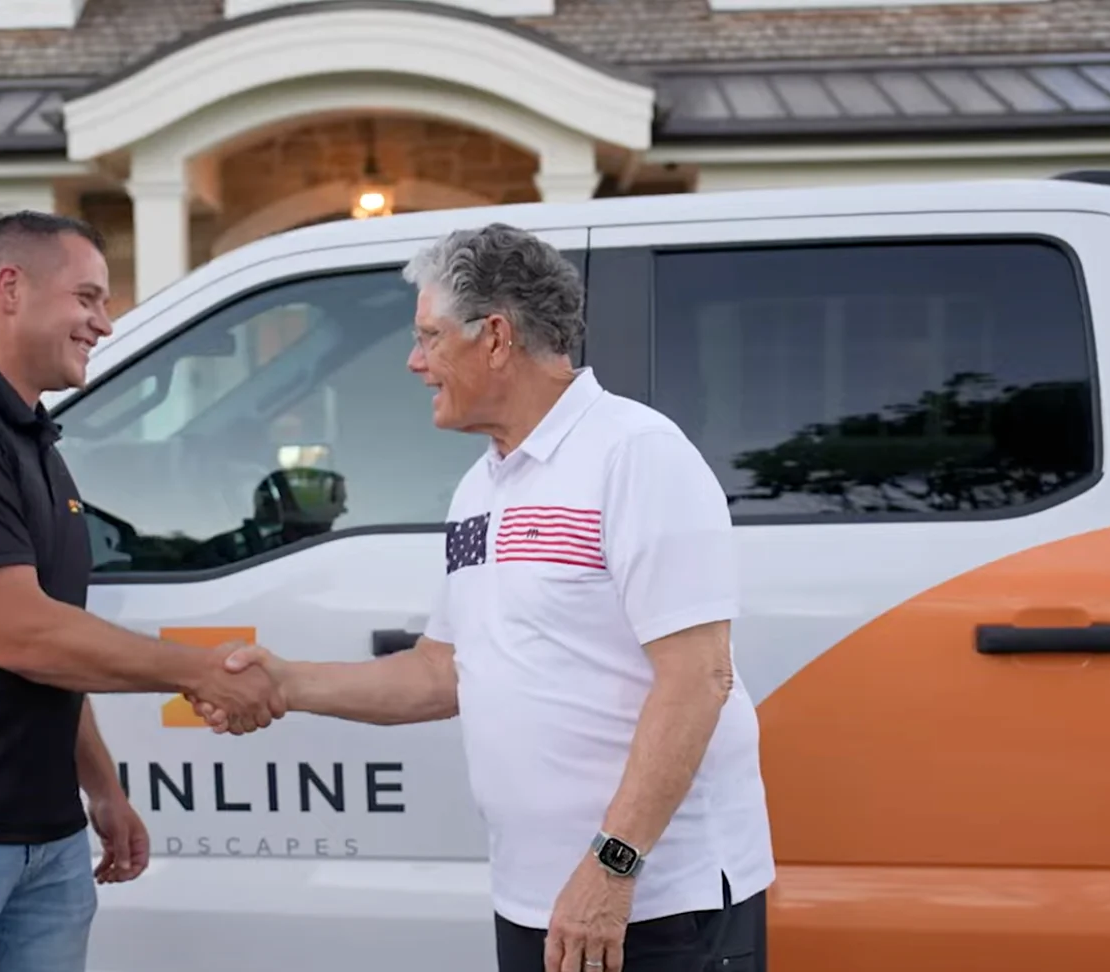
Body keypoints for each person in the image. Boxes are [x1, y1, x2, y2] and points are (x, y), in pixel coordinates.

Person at [193, 223, 774, 972]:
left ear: (495, 337)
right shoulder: (481, 486)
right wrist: (285, 682)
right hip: (537, 901)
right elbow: (443, 671)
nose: (415, 362)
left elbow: (699, 677)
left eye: (429, 337)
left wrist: (612, 866)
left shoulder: (636, 453)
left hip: (654, 905)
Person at [0, 211, 286, 972]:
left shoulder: (30, 439)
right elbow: (23, 635)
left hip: (43, 844)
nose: (104, 323)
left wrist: (101, 790)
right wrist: (201, 671)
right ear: (11, 289)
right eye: (87, 298)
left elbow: (57, 644)